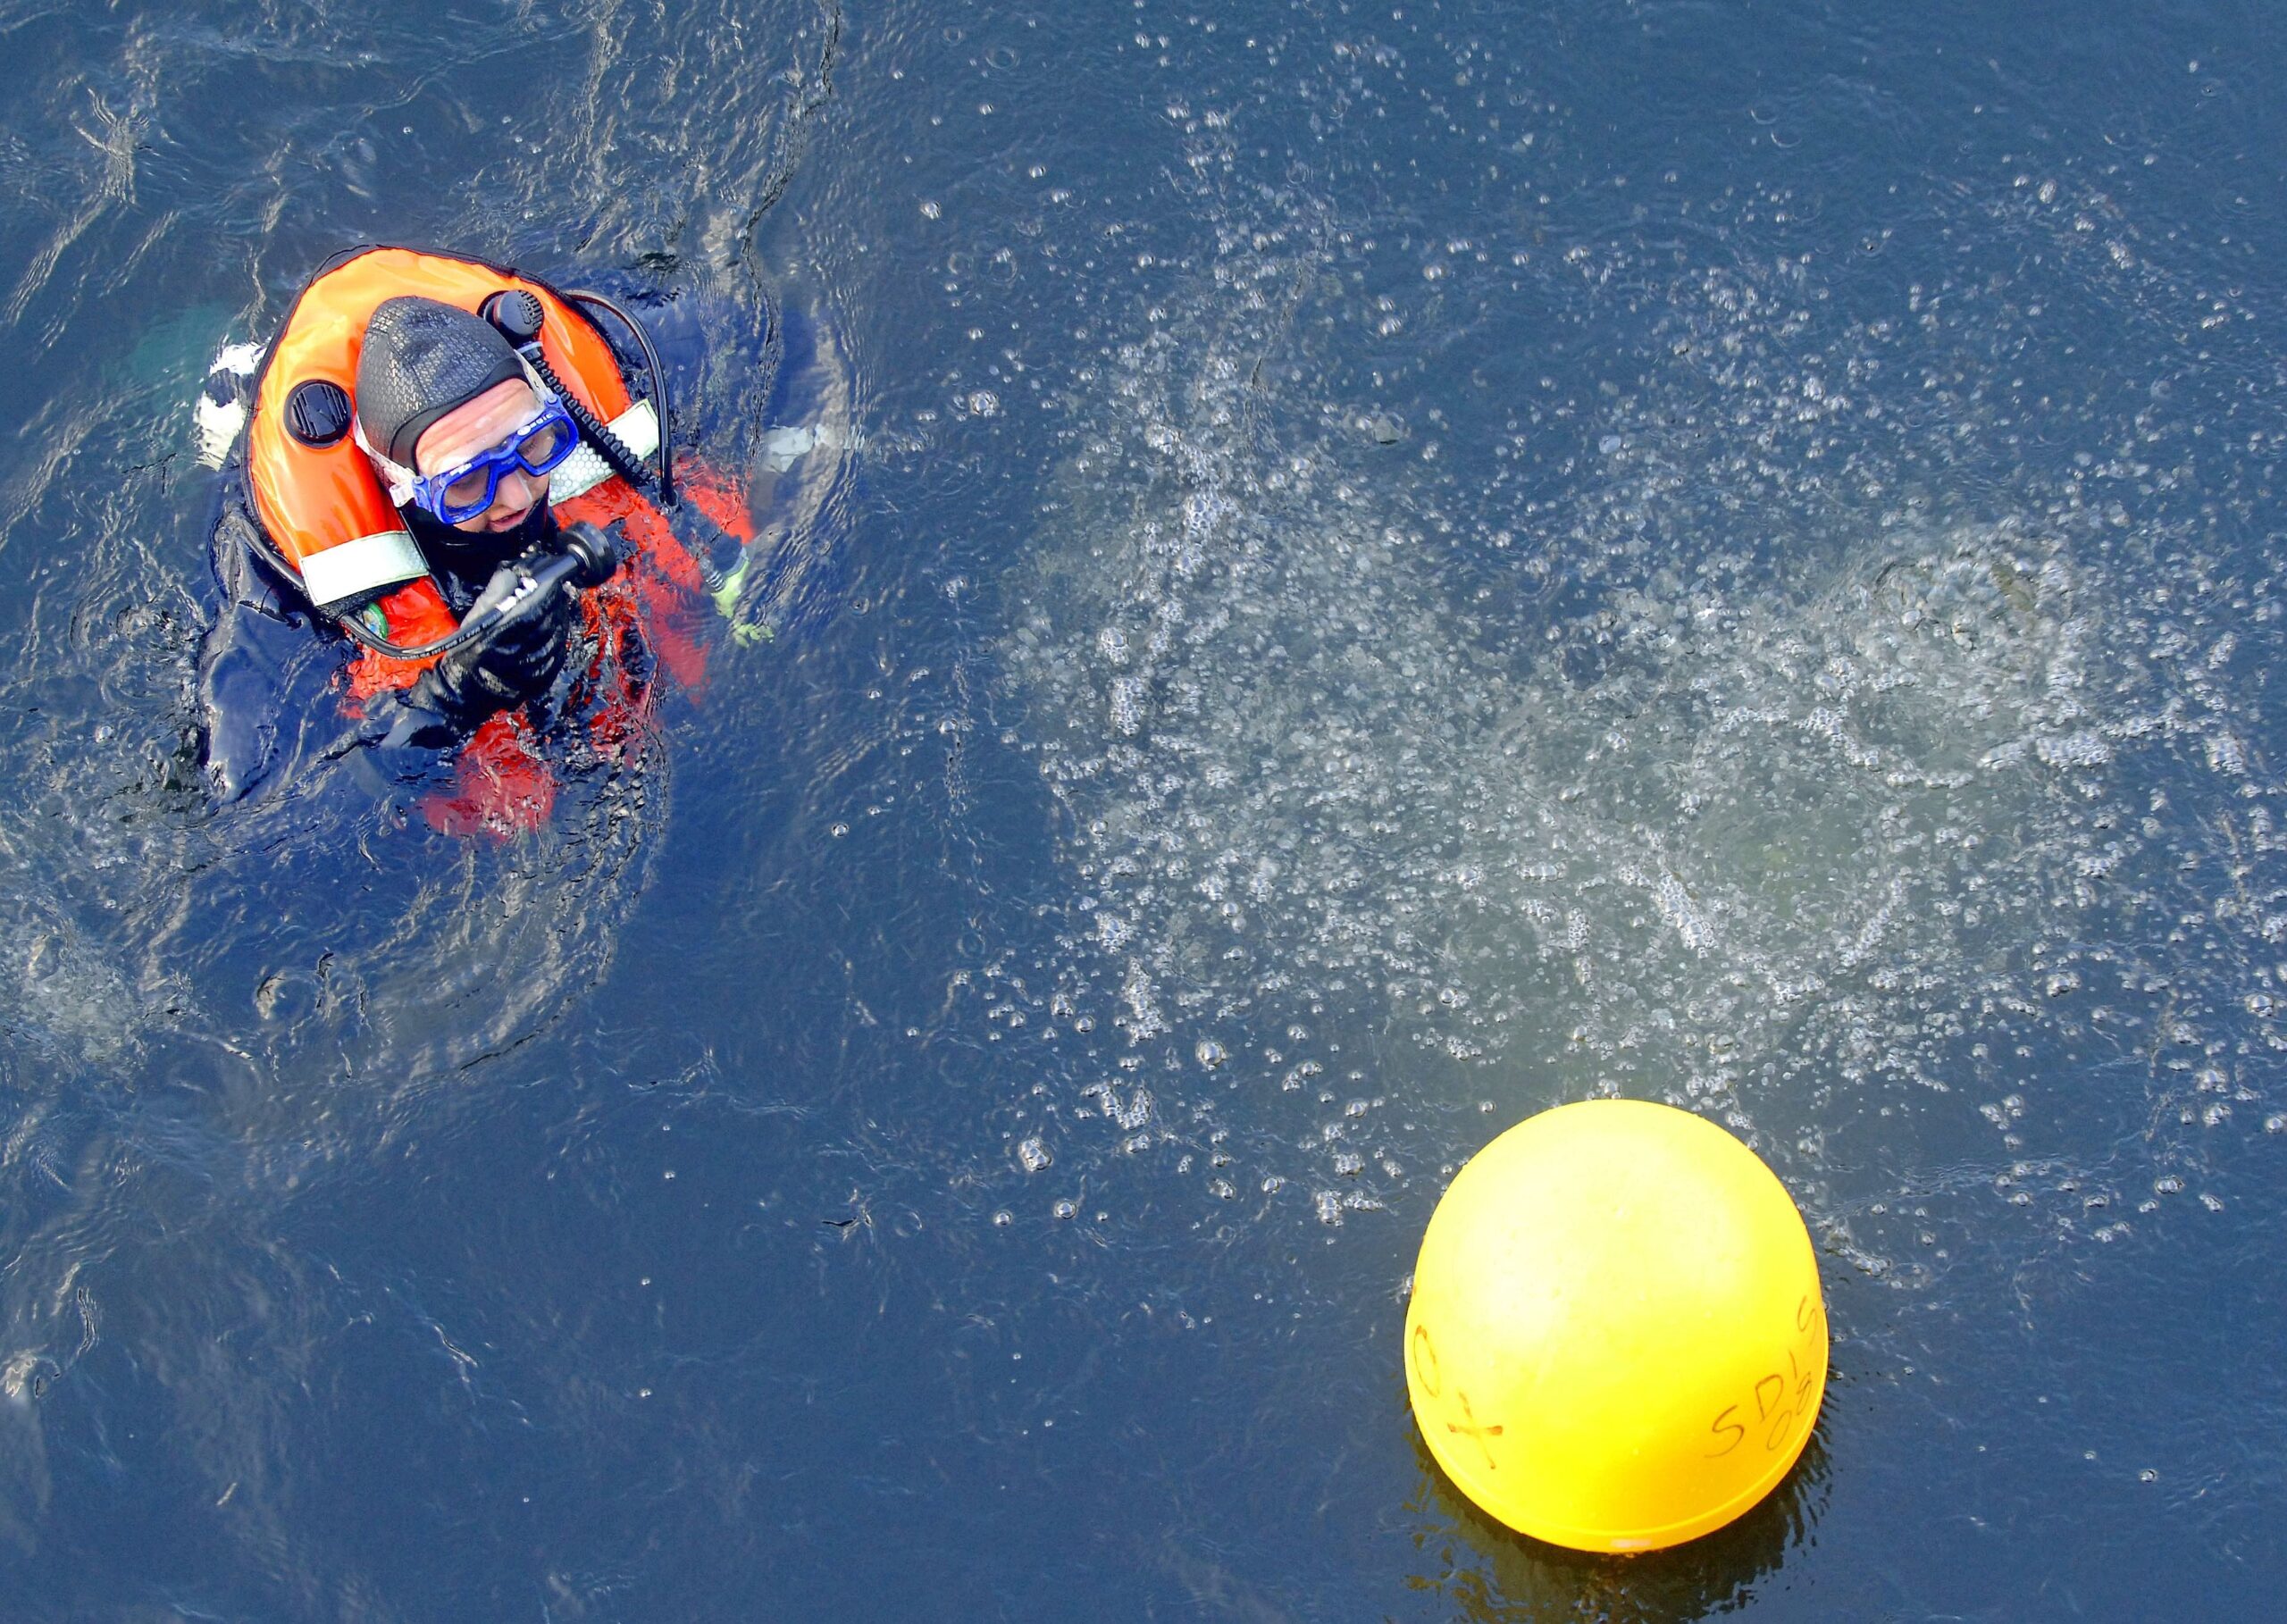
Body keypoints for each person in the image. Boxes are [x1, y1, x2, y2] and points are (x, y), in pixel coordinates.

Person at [197, 245, 764, 836]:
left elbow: (771, 329)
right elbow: (249, 825)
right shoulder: (272, 589)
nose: (517, 496)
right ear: (402, 486)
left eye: (534, 447)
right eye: (468, 483)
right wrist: (447, 701)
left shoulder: (613, 356)